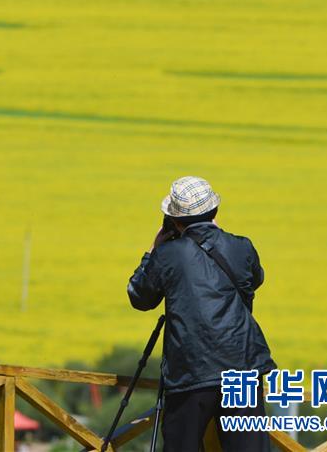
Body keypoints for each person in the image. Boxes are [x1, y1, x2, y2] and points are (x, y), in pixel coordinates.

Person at [127, 176, 276, 451]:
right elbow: (254, 279)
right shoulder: (241, 246)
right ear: (215, 211)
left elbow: (140, 296)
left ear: (174, 220)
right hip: (241, 368)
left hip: (189, 372)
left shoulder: (168, 254)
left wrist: (152, 251)